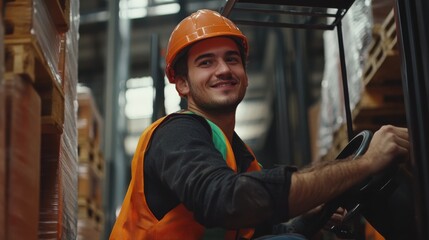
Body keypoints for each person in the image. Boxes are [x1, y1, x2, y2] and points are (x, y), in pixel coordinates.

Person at [109, 9, 410, 240]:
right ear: (183, 84)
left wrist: (311, 213)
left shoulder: (241, 157)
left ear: (245, 73)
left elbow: (256, 230)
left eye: (232, 59)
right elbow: (228, 201)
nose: (224, 69)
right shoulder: (175, 133)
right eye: (206, 62)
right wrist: (366, 164)